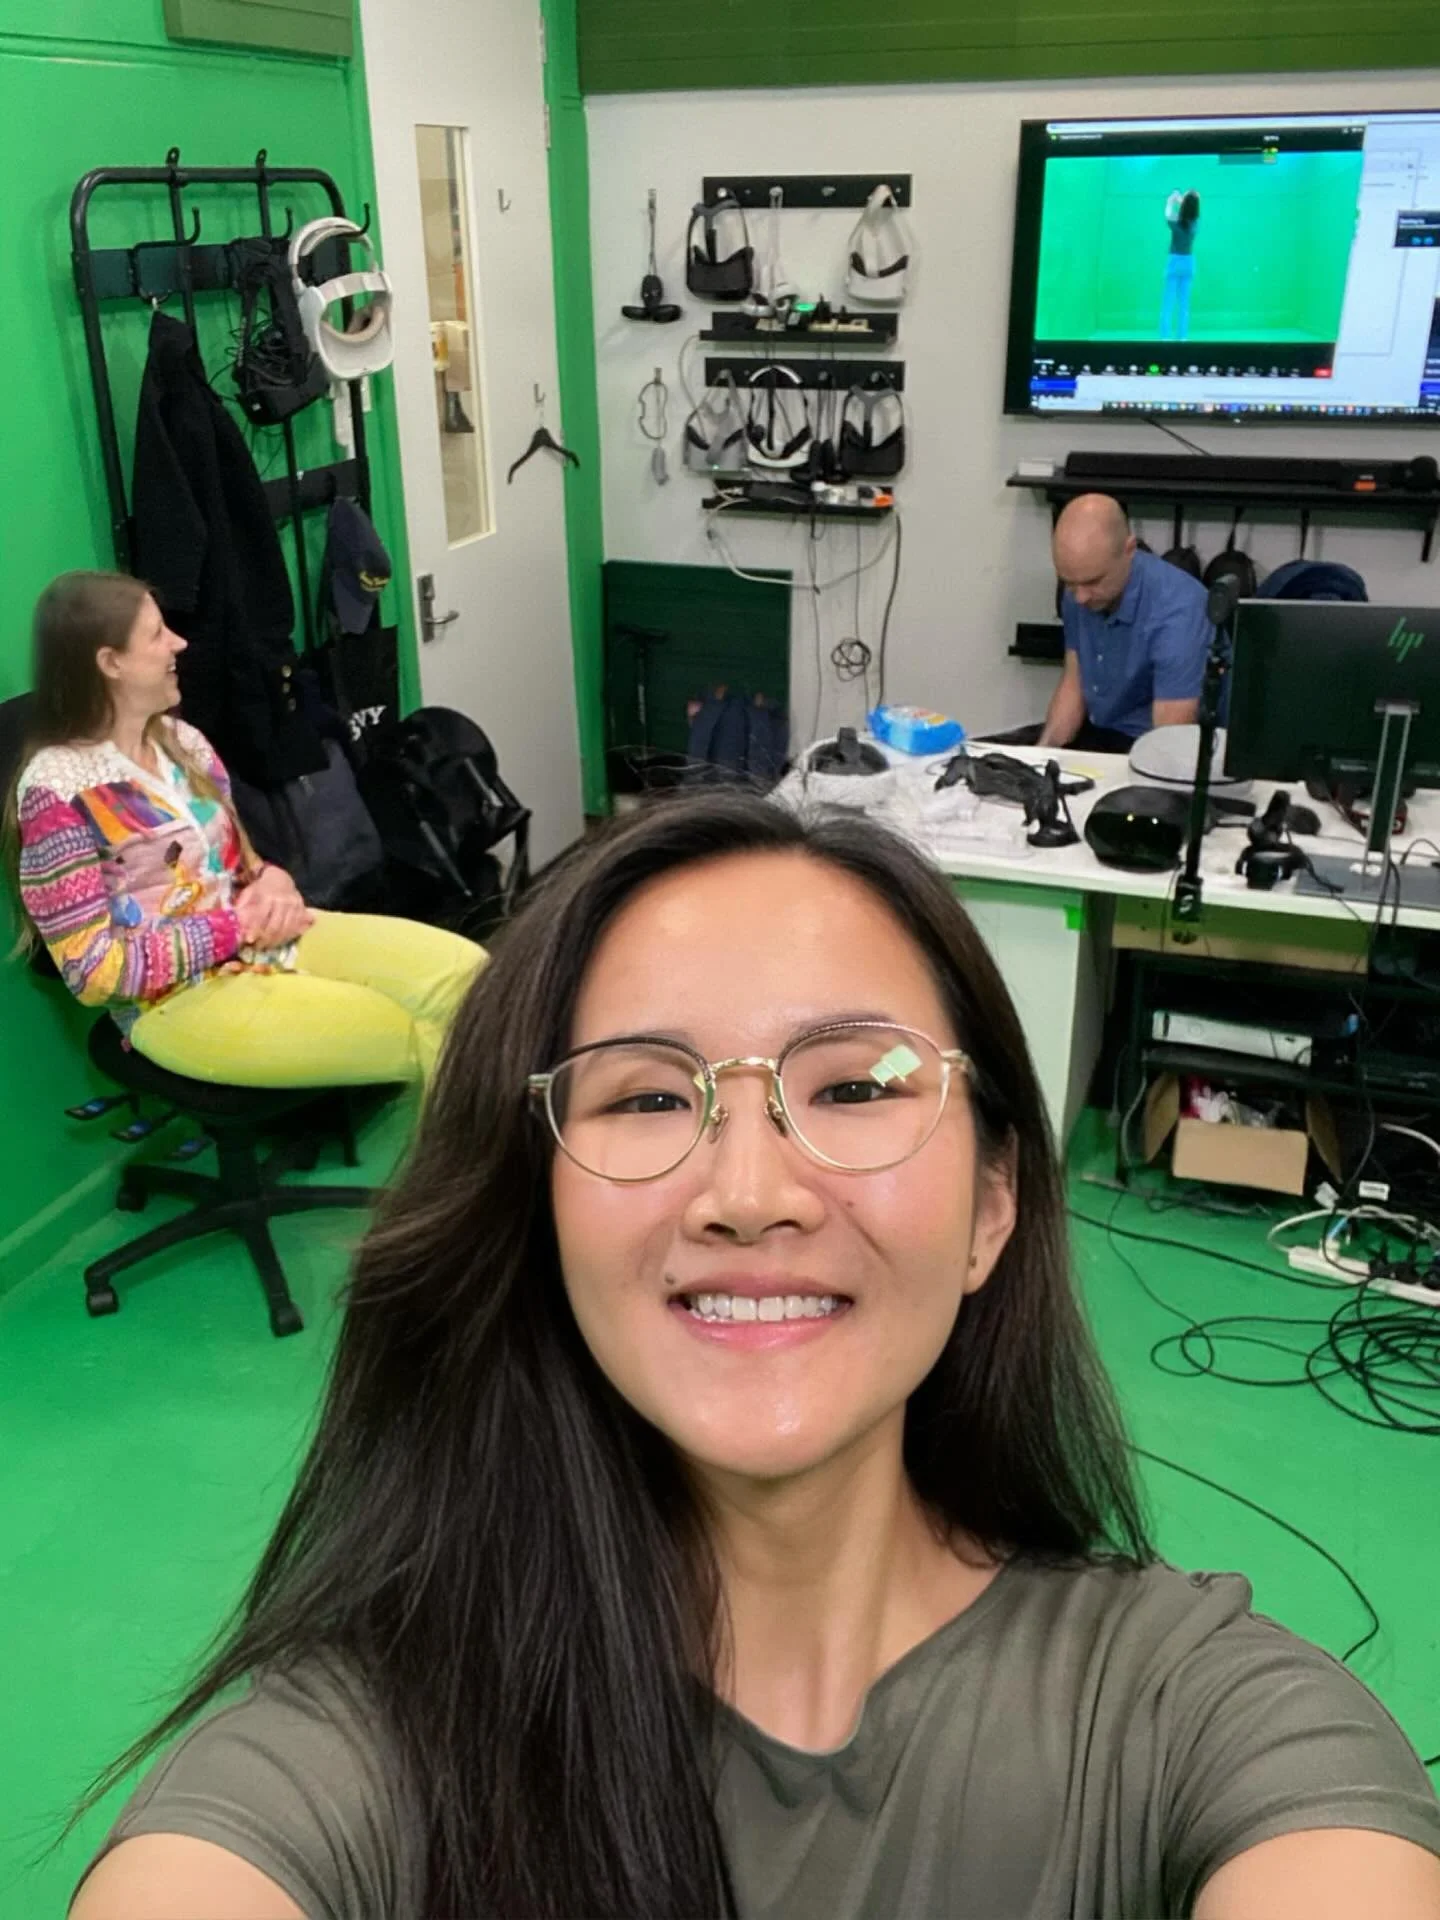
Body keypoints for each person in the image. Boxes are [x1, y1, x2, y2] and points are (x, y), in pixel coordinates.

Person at [69, 791, 1440, 1920]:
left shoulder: (1189, 1713)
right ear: (536, 1211)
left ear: (994, 1206)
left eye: (854, 1086)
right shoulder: (367, 1745)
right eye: (648, 1095)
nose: (748, 1189)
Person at [5, 571, 483, 1088]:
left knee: (469, 973)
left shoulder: (182, 742)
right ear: (110, 663)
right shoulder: (57, 795)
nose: (179, 643)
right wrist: (237, 927)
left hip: (260, 943)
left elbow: (244, 864)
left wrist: (273, 880)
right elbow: (94, 973)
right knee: (406, 1033)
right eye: (157, 634)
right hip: (171, 1002)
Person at [1038, 492, 1211, 752]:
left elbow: (1171, 742)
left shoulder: (1180, 610)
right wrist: (1041, 755)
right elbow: (1075, 681)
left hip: (1155, 743)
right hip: (1100, 731)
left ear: (1129, 550)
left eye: (1093, 582)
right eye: (1070, 583)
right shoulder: (1078, 592)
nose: (1081, 597)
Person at [1162, 189, 1202, 342]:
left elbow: (1167, 213)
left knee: (1168, 302)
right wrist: (1183, 200)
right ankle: (1182, 337)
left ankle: (1165, 338)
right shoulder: (1195, 223)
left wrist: (1171, 200)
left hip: (1174, 262)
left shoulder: (1175, 221)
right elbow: (1189, 211)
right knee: (1184, 305)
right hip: (1188, 263)